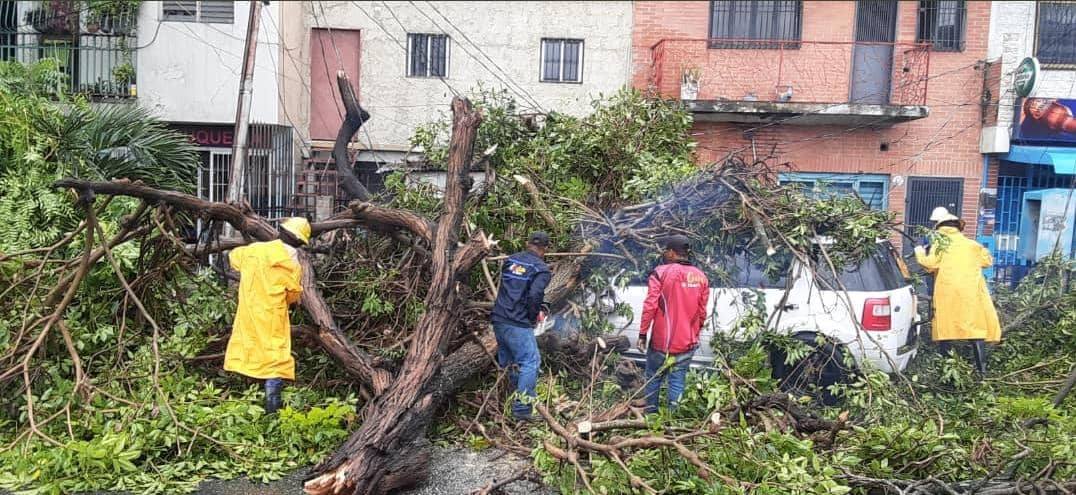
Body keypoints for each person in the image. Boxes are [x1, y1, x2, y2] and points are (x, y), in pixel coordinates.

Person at [224, 217, 310, 413]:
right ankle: (272, 413)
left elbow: (234, 258)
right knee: (276, 361)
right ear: (299, 242)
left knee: (248, 351)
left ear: (281, 232)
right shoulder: (292, 261)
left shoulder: (255, 250)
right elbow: (293, 294)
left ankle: (244, 402)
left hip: (248, 312)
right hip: (273, 316)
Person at [914, 208, 1001, 377]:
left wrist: (919, 250)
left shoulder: (939, 244)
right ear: (958, 227)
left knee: (945, 329)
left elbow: (930, 263)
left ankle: (946, 370)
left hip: (947, 293)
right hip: (971, 294)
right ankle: (982, 373)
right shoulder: (973, 245)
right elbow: (987, 261)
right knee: (975, 330)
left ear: (939, 227)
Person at [637, 235, 710, 414]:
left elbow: (650, 305)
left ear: (671, 252)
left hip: (661, 343)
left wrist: (642, 333)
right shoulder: (701, 277)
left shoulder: (660, 273)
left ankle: (651, 418)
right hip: (686, 343)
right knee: (677, 381)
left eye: (666, 250)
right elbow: (702, 313)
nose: (664, 253)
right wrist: (694, 334)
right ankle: (673, 421)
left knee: (653, 378)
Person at [490, 231, 552, 421]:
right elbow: (534, 295)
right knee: (530, 363)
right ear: (545, 249)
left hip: (499, 318)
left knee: (509, 363)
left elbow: (511, 289)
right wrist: (533, 317)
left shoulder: (511, 260)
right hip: (517, 322)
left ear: (527, 243)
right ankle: (522, 410)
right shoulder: (541, 269)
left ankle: (508, 402)